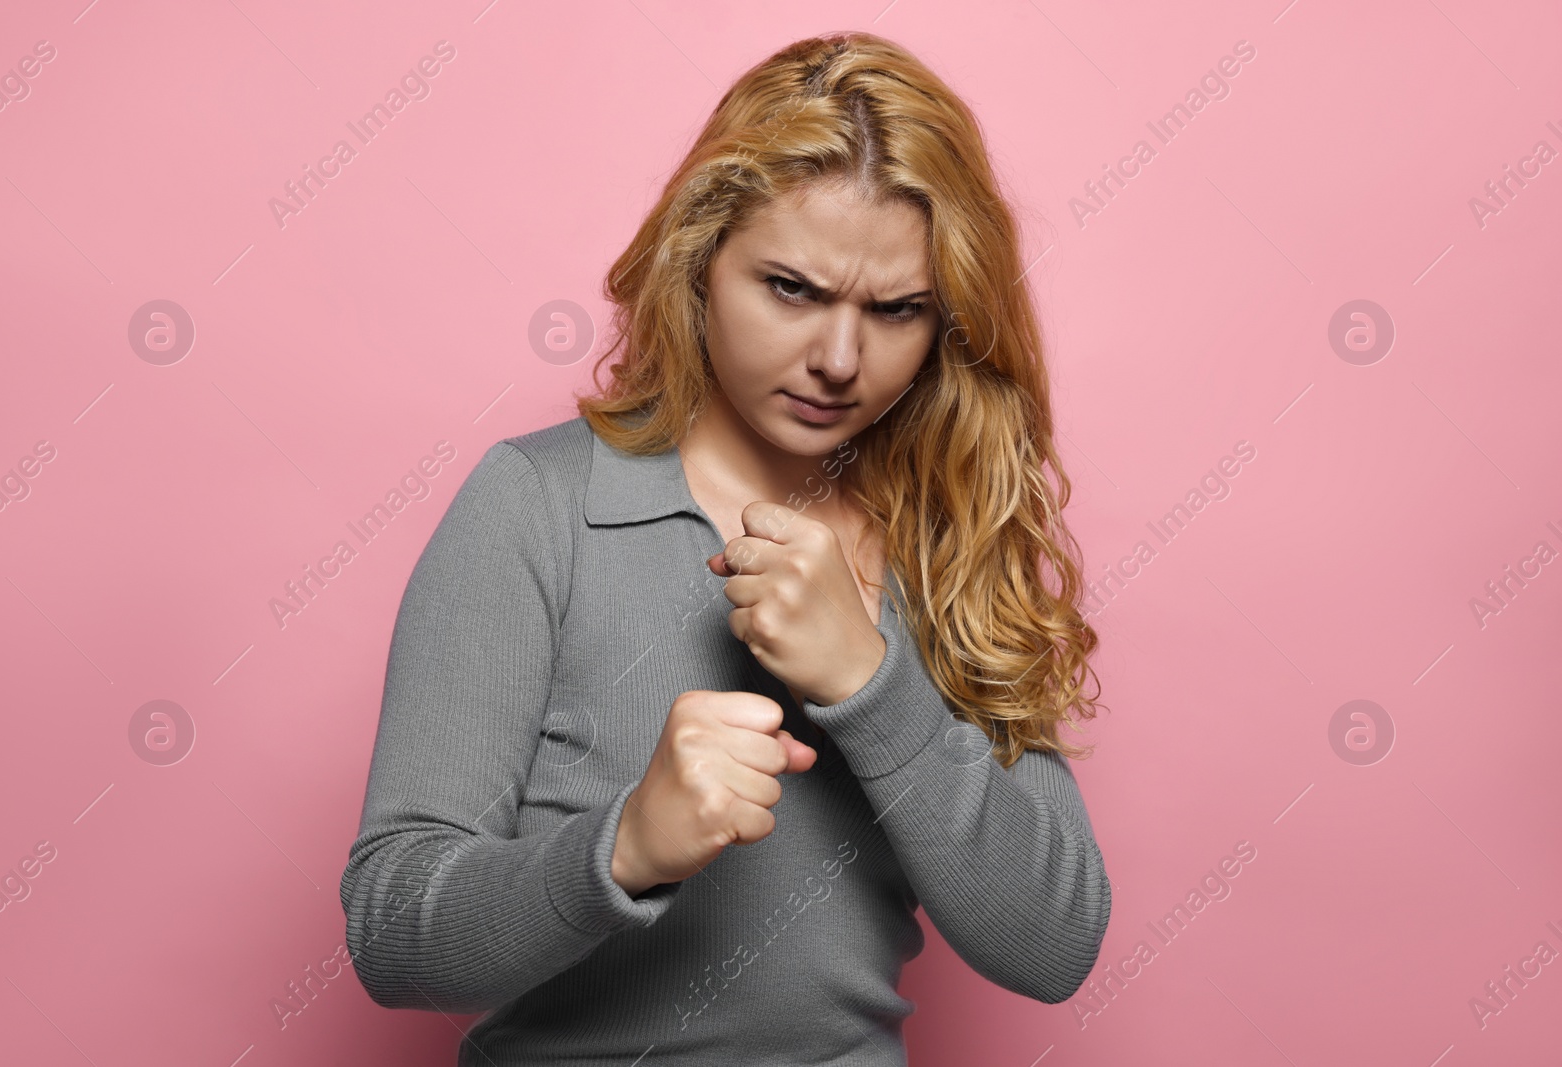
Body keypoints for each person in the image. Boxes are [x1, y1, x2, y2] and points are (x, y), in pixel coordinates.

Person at [340, 30, 1112, 1066]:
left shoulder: (948, 532)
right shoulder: (535, 507)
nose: (840, 359)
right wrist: (623, 845)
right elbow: (391, 932)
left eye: (895, 310)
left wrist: (872, 682)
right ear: (698, 263)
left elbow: (1055, 942)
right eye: (790, 288)